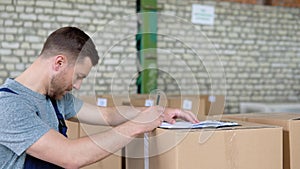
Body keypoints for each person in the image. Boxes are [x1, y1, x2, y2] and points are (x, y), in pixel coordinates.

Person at [0, 26, 199, 169]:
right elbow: (70, 156)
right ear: (59, 63)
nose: (77, 86)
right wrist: (137, 125)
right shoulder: (9, 106)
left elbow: (107, 115)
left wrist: (157, 112)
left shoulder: (55, 98)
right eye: (78, 76)